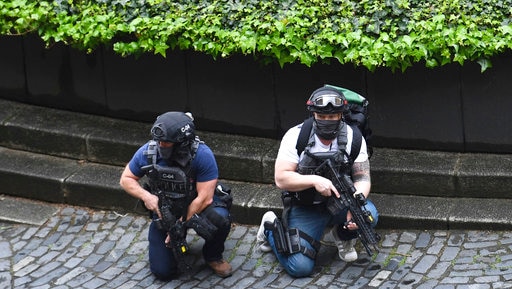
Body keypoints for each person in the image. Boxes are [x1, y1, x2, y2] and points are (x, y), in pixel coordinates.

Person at [256, 86, 379, 277]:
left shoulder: (354, 137)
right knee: (300, 267)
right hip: (306, 207)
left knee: (368, 214)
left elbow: (362, 178)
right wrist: (313, 180)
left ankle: (342, 235)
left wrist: (356, 204)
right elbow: (281, 178)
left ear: (341, 115)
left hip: (340, 204)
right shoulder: (296, 136)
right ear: (313, 113)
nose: (327, 121)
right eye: (322, 117)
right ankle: (270, 227)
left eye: (333, 117)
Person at [119, 111, 233, 280]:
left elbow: (205, 198)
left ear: (181, 142)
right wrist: (147, 197)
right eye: (158, 141)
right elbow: (126, 179)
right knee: (163, 272)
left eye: (165, 142)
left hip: (198, 207)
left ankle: (213, 256)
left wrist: (180, 226)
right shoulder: (148, 152)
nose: (160, 145)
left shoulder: (202, 155)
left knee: (220, 218)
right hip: (167, 211)